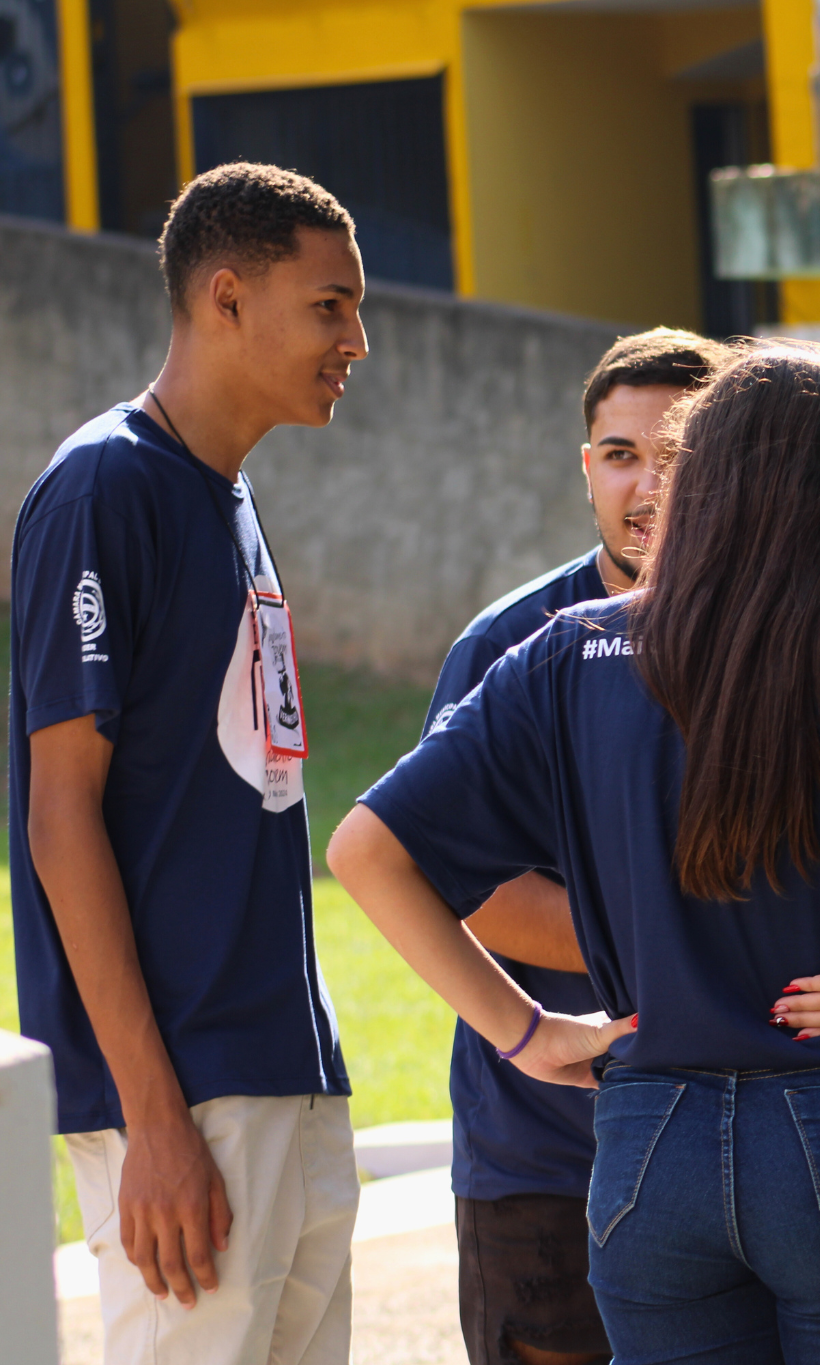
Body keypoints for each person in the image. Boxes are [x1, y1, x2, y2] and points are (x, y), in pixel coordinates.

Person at [329, 344, 820, 1364]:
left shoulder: (568, 650)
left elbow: (366, 848)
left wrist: (523, 1031)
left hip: (650, 1144)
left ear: (698, 472)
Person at [10, 163, 366, 1364]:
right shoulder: (102, 486)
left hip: (287, 1076)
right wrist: (152, 1115)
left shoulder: (229, 497)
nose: (356, 342)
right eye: (329, 306)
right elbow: (59, 818)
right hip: (186, 1100)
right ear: (225, 298)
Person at [424, 327, 731, 1365]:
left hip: (747, 1142)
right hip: (546, 1154)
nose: (648, 488)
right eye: (620, 455)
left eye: (678, 456)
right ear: (586, 465)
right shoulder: (508, 645)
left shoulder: (794, 637)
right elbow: (455, 881)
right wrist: (682, 947)